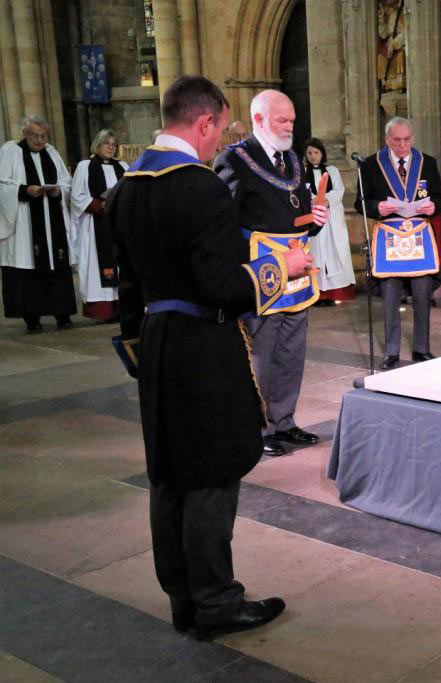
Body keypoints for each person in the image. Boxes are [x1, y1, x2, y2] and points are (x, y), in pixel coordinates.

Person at [108, 75, 312, 639]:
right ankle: (218, 602)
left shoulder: (130, 184)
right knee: (211, 473)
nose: (218, 141)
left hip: (156, 341)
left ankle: (183, 599)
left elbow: (126, 283)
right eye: (220, 130)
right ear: (204, 122)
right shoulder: (197, 186)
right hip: (202, 342)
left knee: (170, 473)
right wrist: (283, 269)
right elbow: (221, 285)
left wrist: (141, 350)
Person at [215, 90, 328, 457]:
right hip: (260, 275)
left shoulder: (292, 160)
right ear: (259, 119)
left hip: (298, 271)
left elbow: (298, 217)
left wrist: (316, 222)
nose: (290, 127)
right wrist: (238, 278)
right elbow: (224, 227)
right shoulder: (234, 160)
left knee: (291, 350)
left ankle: (285, 422)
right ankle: (259, 428)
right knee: (262, 353)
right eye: (282, 120)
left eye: (292, 120)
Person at [355, 116, 441, 370]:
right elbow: (360, 202)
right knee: (390, 296)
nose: (403, 145)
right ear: (387, 139)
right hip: (389, 236)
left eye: (407, 140)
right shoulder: (371, 165)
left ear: (412, 139)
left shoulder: (427, 163)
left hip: (418, 234)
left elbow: (440, 197)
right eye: (397, 140)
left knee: (421, 294)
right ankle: (391, 351)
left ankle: (421, 348)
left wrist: (433, 206)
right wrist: (377, 207)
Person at [0, 116, 76, 333]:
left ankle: (63, 314)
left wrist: (58, 190)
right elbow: (2, 184)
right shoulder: (11, 151)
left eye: (43, 136)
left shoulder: (51, 152)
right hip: (25, 221)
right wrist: (25, 190)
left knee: (58, 263)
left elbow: (65, 180)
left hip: (52, 220)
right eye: (35, 135)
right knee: (29, 269)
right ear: (25, 134)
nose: (39, 141)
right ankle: (32, 319)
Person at [70, 128, 128, 322]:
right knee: (97, 267)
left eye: (114, 145)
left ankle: (123, 307)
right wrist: (100, 205)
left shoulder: (123, 167)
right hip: (95, 226)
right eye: (107, 144)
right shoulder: (85, 166)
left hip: (119, 225)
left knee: (122, 265)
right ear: (97, 144)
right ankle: (104, 310)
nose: (111, 148)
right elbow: (77, 197)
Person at [303, 137, 355, 305]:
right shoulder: (303, 172)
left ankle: (334, 293)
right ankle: (317, 294)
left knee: (335, 252)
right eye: (310, 153)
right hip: (314, 218)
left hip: (331, 218)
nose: (313, 156)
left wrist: (325, 201)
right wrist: (314, 201)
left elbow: (339, 189)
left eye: (316, 152)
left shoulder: (332, 171)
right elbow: (303, 192)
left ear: (322, 154)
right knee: (316, 254)